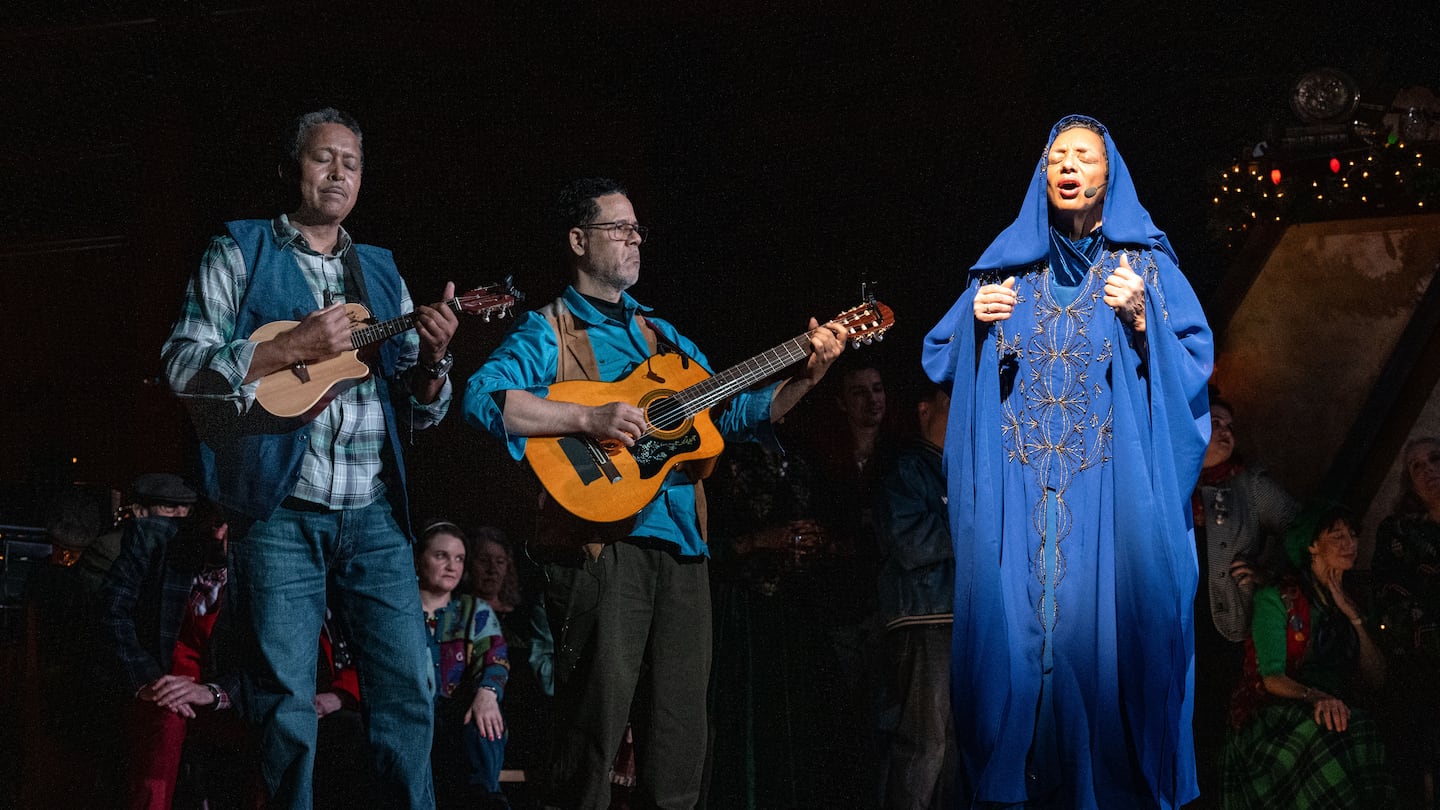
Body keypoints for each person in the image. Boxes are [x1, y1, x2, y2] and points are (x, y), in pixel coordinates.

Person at [463, 177, 846, 810]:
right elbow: (484, 400)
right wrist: (588, 419)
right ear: (579, 240)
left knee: (680, 736)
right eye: (621, 228)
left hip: (685, 547)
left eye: (639, 228)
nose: (636, 238)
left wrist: (808, 377)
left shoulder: (663, 337)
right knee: (595, 726)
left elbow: (730, 415)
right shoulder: (548, 331)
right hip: (603, 545)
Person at [161, 107, 458, 808]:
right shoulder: (237, 249)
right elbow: (181, 365)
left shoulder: (380, 271)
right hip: (277, 514)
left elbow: (416, 409)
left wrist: (436, 365)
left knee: (409, 687)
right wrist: (286, 349)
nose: (338, 174)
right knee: (283, 701)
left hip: (373, 515)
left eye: (351, 164)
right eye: (324, 159)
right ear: (293, 167)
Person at [922, 115, 1213, 808]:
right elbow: (942, 360)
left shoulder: (1143, 268)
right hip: (1021, 497)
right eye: (1058, 155)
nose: (1069, 166)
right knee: (1016, 665)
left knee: (1106, 658)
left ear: (1110, 174)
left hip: (1109, 496)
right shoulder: (1005, 271)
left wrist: (1144, 323)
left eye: (1084, 155)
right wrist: (976, 322)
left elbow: (1192, 370)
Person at [1221, 502, 1391, 807]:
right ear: (1312, 545)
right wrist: (1317, 698)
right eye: (1337, 536)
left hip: (1337, 711)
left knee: (1363, 730)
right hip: (1277, 713)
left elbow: (1377, 679)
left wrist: (1354, 618)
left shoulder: (1356, 600)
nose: (1349, 544)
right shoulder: (1277, 597)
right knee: (1322, 733)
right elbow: (1272, 678)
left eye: (1352, 535)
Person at [98, 500, 248, 809]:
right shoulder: (156, 539)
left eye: (228, 526)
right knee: (165, 723)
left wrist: (215, 693)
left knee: (280, 725)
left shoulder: (267, 557)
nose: (219, 535)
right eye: (213, 524)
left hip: (225, 690)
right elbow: (112, 613)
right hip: (160, 683)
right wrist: (150, 682)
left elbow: (270, 655)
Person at [1189, 395, 1297, 803]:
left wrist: (1269, 571)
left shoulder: (1248, 486)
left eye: (1231, 427)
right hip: (1167, 627)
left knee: (1210, 729)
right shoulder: (1164, 479)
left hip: (1224, 628)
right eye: (1216, 422)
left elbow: (1303, 529)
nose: (1226, 432)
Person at [875, 381, 956, 810]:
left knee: (953, 750)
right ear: (925, 410)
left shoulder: (958, 466)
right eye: (950, 403)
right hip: (923, 619)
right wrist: (973, 528)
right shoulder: (908, 467)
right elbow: (908, 542)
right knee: (925, 744)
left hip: (957, 618)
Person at [415, 522, 511, 810]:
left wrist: (488, 692)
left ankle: (483, 801)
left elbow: (494, 655)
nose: (451, 565)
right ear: (419, 560)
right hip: (412, 714)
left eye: (458, 558)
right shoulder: (399, 612)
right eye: (441, 556)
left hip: (456, 714)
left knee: (487, 720)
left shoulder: (473, 611)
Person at [1372, 436, 1440, 804]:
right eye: (1417, 466)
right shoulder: (1399, 533)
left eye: (1435, 459)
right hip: (1419, 664)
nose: (1429, 469)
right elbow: (1393, 603)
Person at [80, 473, 198, 595]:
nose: (181, 516)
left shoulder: (187, 553)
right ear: (140, 512)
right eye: (168, 506)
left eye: (187, 509)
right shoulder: (107, 550)